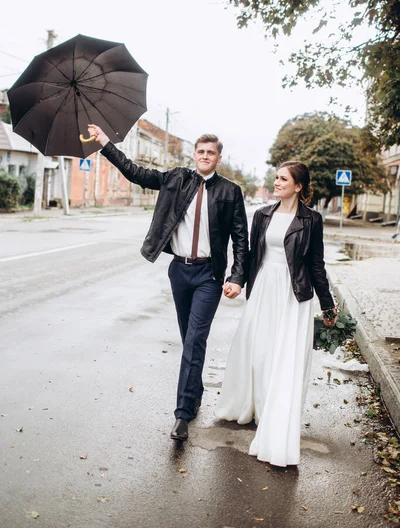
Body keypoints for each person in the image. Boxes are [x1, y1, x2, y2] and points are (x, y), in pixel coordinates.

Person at [87, 124, 249, 441]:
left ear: (218, 158)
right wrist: (106, 142)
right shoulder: (176, 178)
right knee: (188, 337)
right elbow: (135, 172)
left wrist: (237, 277)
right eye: (200, 151)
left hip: (209, 276)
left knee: (194, 342)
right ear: (195, 155)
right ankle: (195, 390)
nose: (205, 156)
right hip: (179, 271)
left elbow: (240, 239)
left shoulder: (230, 192)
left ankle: (182, 415)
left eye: (211, 153)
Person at [216, 161, 337, 467]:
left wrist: (327, 304)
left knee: (282, 358)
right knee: (257, 354)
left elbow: (316, 265)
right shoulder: (262, 214)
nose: (277, 181)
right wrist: (237, 281)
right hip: (264, 290)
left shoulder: (312, 220)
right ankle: (253, 406)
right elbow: (249, 254)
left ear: (298, 186)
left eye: (283, 178)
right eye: (276, 177)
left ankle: (275, 416)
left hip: (292, 294)